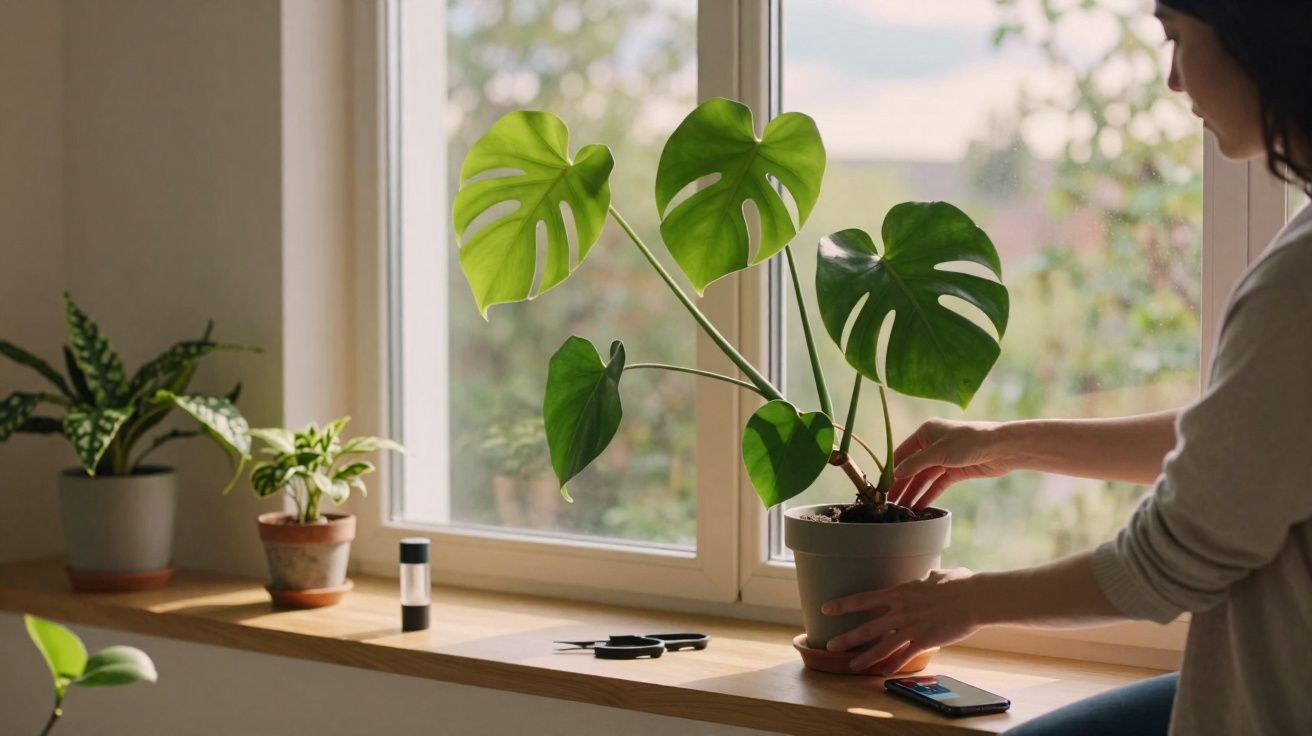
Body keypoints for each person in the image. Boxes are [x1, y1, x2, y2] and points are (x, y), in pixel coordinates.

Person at [821, 2, 1312, 734]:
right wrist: (1004, 442)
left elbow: (1166, 564)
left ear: (1257, 34)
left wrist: (956, 603)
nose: (1174, 81)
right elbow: (1250, 442)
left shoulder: (1296, 287)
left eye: (1177, 38)